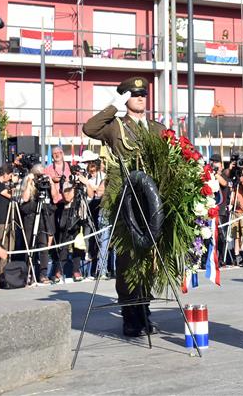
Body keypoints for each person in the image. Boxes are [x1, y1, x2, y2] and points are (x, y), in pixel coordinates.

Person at [82, 76, 166, 337]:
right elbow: (89, 128)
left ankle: (145, 310)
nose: (140, 98)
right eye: (134, 94)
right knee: (129, 259)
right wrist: (113, 106)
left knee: (149, 261)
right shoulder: (115, 126)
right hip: (125, 200)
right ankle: (131, 316)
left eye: (143, 94)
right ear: (125, 98)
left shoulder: (156, 128)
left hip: (151, 202)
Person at [20, 164, 54, 284]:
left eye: (42, 175)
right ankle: (29, 273)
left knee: (43, 247)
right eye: (37, 175)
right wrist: (29, 182)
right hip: (30, 218)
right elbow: (24, 199)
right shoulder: (28, 183)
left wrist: (51, 183)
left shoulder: (45, 185)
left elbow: (54, 198)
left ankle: (43, 274)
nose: (40, 178)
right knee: (30, 246)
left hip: (43, 217)